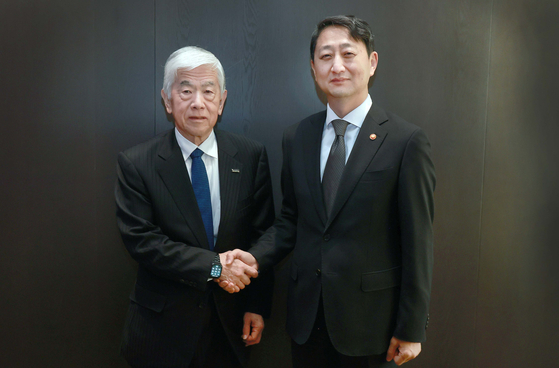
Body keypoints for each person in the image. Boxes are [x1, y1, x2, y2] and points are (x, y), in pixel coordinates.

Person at [224, 15, 436, 367]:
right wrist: (254, 257)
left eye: (348, 54)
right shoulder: (298, 137)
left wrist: (412, 327)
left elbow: (419, 241)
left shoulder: (406, 141)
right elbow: (290, 220)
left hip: (372, 326)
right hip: (307, 320)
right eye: (325, 56)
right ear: (313, 68)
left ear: (372, 62)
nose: (337, 65)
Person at [115, 46, 274, 368]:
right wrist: (215, 266)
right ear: (167, 100)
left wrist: (256, 306)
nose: (197, 102)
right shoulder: (137, 163)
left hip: (229, 327)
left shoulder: (250, 155)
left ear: (222, 100)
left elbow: (263, 233)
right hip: (161, 330)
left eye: (208, 91)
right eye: (185, 91)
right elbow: (143, 242)